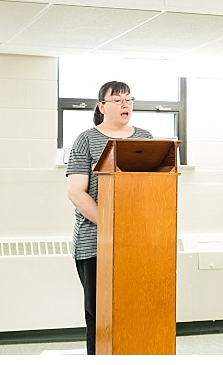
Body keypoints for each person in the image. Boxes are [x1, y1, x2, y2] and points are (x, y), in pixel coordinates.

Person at [65, 81, 153, 354]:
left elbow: (151, 188)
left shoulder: (145, 138)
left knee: (134, 311)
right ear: (102, 106)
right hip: (95, 243)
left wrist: (131, 228)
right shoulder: (86, 139)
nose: (125, 104)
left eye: (128, 99)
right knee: (100, 314)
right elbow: (77, 193)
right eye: (117, 100)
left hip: (135, 242)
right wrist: (112, 226)